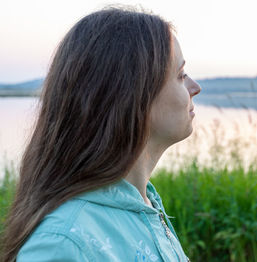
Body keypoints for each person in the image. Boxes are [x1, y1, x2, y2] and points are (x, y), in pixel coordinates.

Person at [1, 6, 201, 262]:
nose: (195, 87)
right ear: (132, 93)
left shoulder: (145, 206)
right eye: (181, 75)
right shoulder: (62, 244)